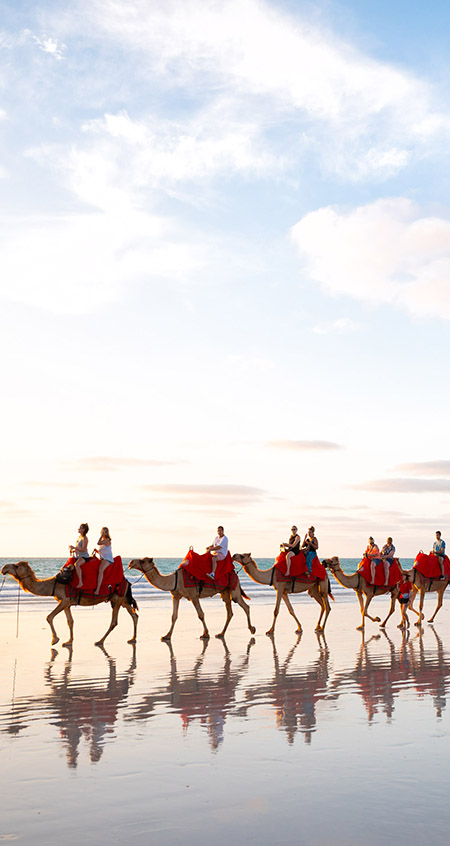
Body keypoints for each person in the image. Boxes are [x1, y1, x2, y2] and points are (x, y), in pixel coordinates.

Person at [92, 527, 114, 595]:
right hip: (103, 558)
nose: (104, 533)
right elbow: (104, 551)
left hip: (107, 559)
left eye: (105, 532)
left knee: (100, 570)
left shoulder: (107, 540)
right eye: (103, 531)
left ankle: (98, 590)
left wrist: (101, 535)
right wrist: (97, 551)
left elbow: (98, 543)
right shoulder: (103, 540)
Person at [69, 523, 90, 589]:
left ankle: (80, 582)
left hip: (84, 557)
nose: (79, 529)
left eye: (80, 528)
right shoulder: (79, 537)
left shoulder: (85, 538)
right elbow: (78, 548)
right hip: (78, 556)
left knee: (77, 565)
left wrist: (74, 548)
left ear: (83, 530)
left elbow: (83, 549)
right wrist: (73, 550)